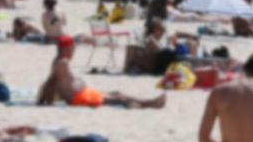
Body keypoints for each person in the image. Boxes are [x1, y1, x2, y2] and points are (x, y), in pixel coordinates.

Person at [38, 36, 166, 109]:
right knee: (118, 98)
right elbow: (52, 81)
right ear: (67, 48)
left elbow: (53, 81)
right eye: (72, 48)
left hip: (82, 95)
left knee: (117, 93)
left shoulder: (59, 61)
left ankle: (147, 102)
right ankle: (149, 104)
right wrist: (46, 101)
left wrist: (45, 100)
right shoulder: (63, 62)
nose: (73, 51)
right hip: (80, 98)